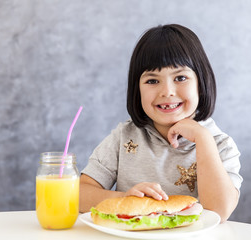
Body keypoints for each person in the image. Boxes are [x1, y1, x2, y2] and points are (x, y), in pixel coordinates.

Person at [80, 24, 242, 222]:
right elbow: (77, 195)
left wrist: (202, 138)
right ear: (136, 89)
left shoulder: (219, 144)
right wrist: (124, 198)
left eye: (180, 77)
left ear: (201, 83)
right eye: (152, 81)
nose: (167, 91)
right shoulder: (125, 137)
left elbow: (218, 211)